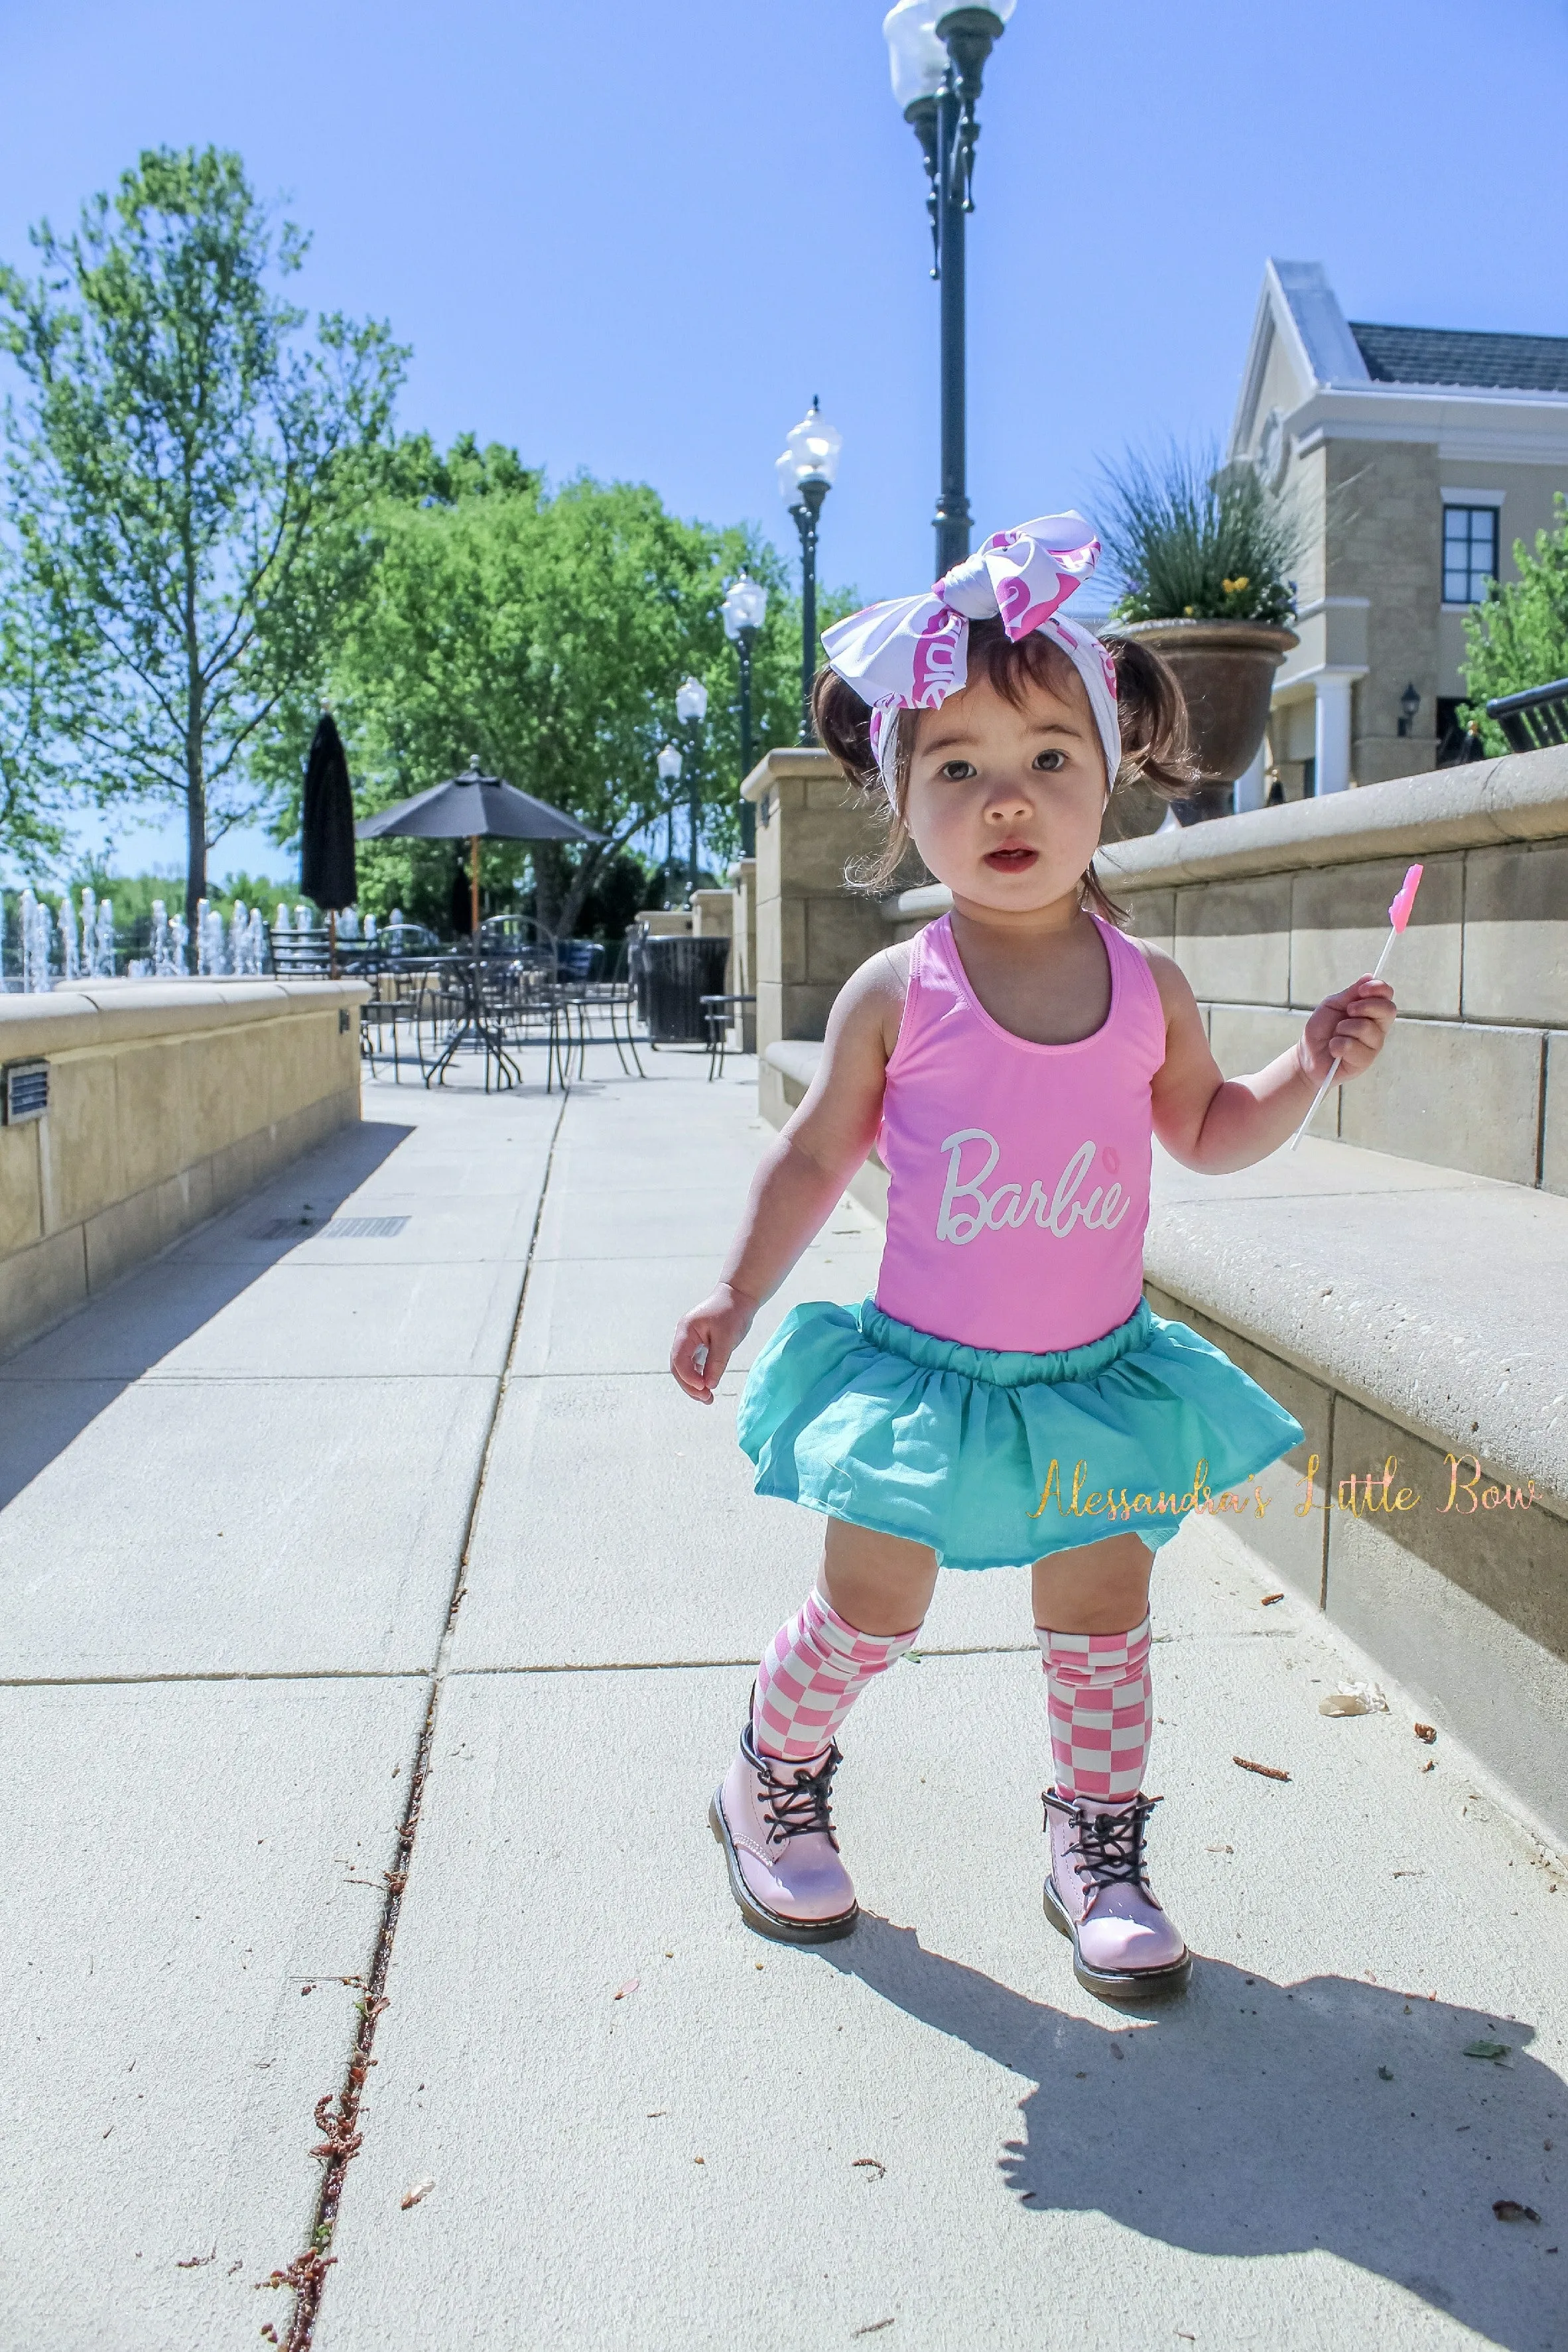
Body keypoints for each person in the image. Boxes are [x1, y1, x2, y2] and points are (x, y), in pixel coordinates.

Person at [669, 515, 1396, 2002]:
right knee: (872, 1604)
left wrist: (1306, 1067)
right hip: (927, 1379)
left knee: (1102, 1615)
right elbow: (814, 1155)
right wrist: (737, 1290)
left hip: (1090, 1382)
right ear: (903, 798)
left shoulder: (1150, 987)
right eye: (960, 769)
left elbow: (1205, 1127)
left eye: (1049, 758)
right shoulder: (900, 991)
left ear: (1110, 777)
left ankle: (1097, 1845)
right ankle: (769, 1775)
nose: (1009, 799)